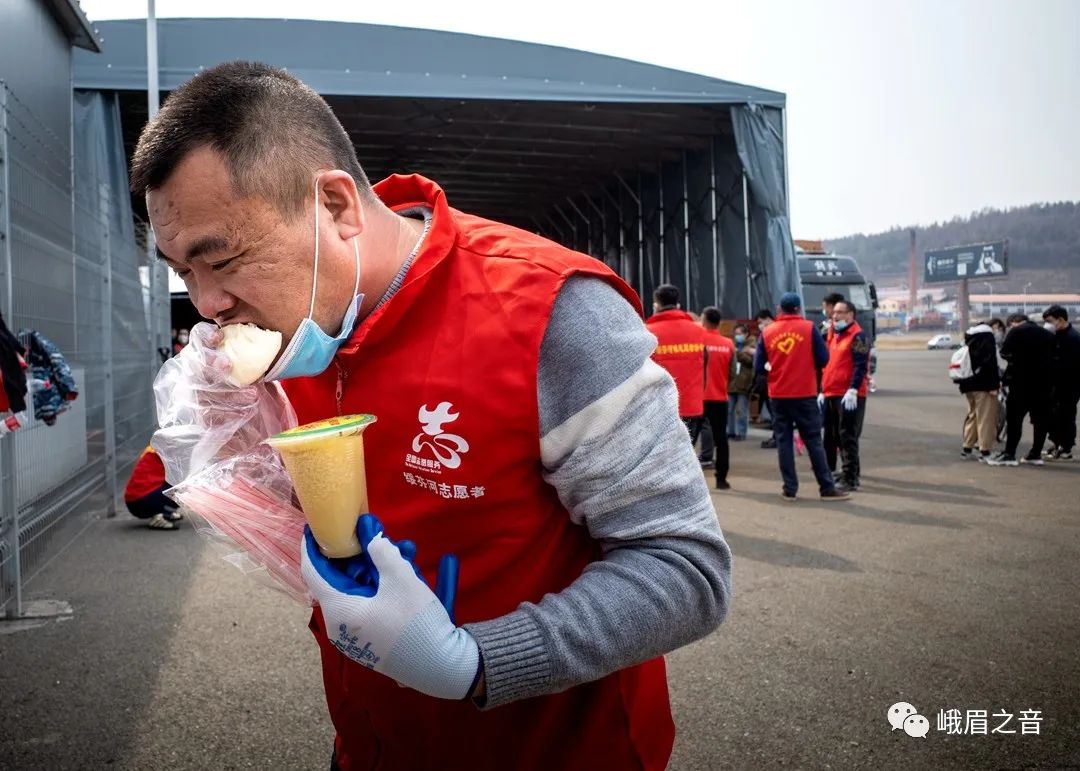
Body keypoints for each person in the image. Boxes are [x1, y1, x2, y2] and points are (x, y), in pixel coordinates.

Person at [132, 62, 731, 771]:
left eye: (220, 258)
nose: (206, 304)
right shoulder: (298, 339)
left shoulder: (552, 315)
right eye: (182, 272)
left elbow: (686, 568)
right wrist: (236, 446)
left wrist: (474, 662)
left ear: (335, 205)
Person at [754, 292, 850, 501]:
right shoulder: (808, 328)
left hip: (778, 394)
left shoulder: (768, 332)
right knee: (814, 440)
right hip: (804, 393)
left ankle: (790, 489)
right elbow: (823, 359)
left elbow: (758, 366)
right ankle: (826, 487)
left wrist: (775, 367)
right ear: (798, 309)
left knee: (784, 441)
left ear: (781, 309)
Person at [988, 313, 1054, 466]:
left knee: (1015, 420)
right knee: (1040, 421)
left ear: (1014, 322)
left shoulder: (1016, 332)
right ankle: (1035, 454)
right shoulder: (1047, 334)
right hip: (1044, 384)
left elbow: (1004, 353)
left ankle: (1010, 454)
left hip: (1021, 383)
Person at [646, 284, 708, 446]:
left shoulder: (647, 333)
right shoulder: (699, 332)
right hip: (692, 405)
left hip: (659, 407)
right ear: (678, 305)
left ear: (656, 305)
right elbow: (705, 368)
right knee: (686, 455)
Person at [820, 300, 870, 491]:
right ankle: (847, 472)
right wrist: (823, 390)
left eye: (840, 313)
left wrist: (854, 389)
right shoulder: (834, 335)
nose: (835, 316)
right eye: (834, 313)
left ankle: (850, 478)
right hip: (832, 392)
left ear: (851, 315)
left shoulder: (858, 336)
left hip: (848, 394)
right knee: (835, 436)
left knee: (848, 436)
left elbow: (860, 365)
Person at [956, 319, 1003, 462]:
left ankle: (967, 448)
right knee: (986, 418)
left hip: (968, 385)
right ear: (993, 327)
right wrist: (993, 386)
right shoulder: (987, 337)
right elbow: (990, 363)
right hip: (983, 386)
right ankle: (985, 451)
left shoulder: (970, 338)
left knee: (973, 415)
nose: (999, 332)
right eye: (998, 328)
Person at [698, 307, 734, 489]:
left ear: (703, 321)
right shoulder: (728, 344)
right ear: (719, 323)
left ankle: (690, 481)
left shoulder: (697, 341)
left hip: (698, 397)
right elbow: (732, 372)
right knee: (721, 440)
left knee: (690, 439)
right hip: (720, 397)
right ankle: (721, 479)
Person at [1042, 305, 1080, 461]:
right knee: (1055, 416)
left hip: (1069, 385)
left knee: (1066, 415)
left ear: (1061, 319)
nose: (1049, 325)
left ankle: (1066, 447)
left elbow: (1071, 365)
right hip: (1056, 384)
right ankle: (1058, 443)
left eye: (1051, 321)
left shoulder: (1073, 338)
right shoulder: (1056, 335)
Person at [124, 446, 184, 530]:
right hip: (142, 501)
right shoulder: (167, 450)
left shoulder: (154, 448)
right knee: (184, 486)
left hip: (136, 500)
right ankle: (161, 516)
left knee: (178, 483)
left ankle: (165, 512)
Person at [753, 308, 777, 447]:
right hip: (768, 379)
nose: (760, 326)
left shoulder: (771, 333)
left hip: (771, 379)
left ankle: (777, 438)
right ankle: (776, 436)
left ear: (768, 319)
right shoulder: (766, 333)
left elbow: (760, 362)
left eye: (761, 322)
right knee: (773, 411)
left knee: (775, 412)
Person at [727, 323, 755, 441]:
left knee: (742, 410)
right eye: (736, 334)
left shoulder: (752, 346)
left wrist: (738, 353)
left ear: (746, 334)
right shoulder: (731, 345)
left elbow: (751, 362)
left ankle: (741, 433)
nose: (737, 336)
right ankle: (730, 431)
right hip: (732, 382)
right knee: (729, 410)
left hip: (744, 382)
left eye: (739, 334)